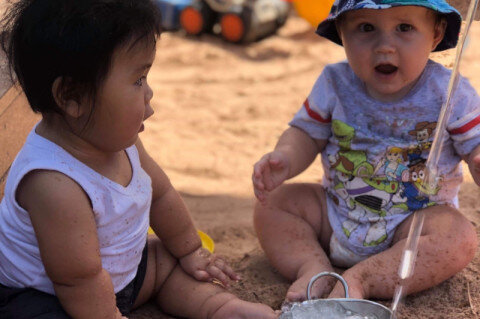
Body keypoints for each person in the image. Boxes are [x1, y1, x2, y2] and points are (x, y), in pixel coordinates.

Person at [0, 1, 277, 318]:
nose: (149, 93)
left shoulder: (117, 140)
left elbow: (161, 194)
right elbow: (79, 280)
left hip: (124, 274)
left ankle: (222, 308)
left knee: (167, 262)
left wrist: (189, 250)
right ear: (71, 96)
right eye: (138, 79)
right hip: (52, 295)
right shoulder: (52, 183)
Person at [252, 0, 480, 303]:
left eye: (404, 28)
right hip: (335, 214)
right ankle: (312, 266)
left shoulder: (450, 92)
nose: (385, 46)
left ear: (436, 34)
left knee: (458, 237)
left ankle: (364, 279)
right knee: (274, 205)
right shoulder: (335, 82)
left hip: (411, 228)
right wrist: (285, 157)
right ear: (342, 33)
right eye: (366, 28)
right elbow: (306, 133)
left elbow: (474, 143)